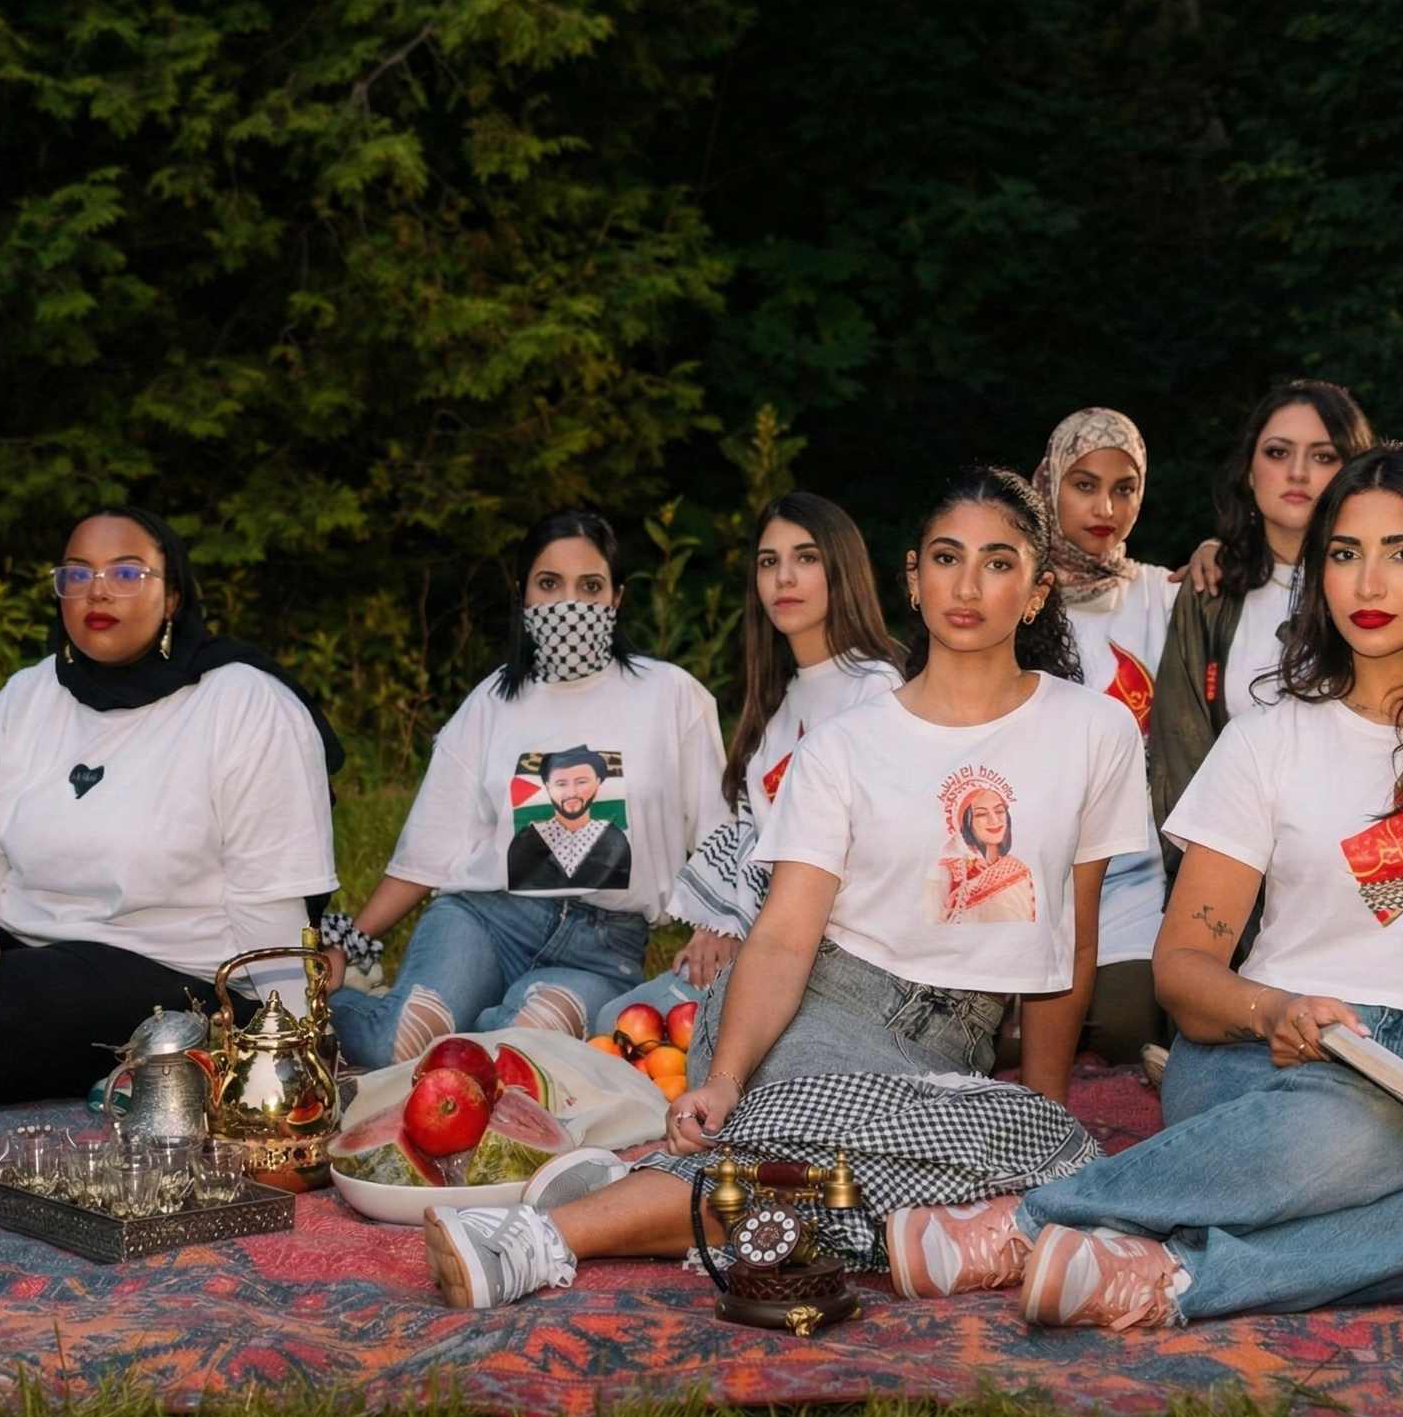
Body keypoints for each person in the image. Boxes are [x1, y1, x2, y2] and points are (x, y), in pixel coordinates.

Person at [883, 443, 1403, 1329]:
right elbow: (1184, 968)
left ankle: (1174, 1279)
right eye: (1344, 554)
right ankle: (1030, 1218)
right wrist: (1277, 1013)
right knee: (1364, 1134)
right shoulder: (1270, 737)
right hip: (1266, 1062)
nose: (1368, 582)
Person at [414, 468, 1153, 1310]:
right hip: (822, 1000)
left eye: (998, 563)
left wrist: (1045, 1109)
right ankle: (531, 1241)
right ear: (912, 578)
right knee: (801, 1171)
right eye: (948, 558)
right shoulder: (848, 744)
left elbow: (1069, 938)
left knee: (1051, 1153)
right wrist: (727, 1078)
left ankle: (637, 1188)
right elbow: (785, 935)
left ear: (1035, 590)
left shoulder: (1094, 731)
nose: (968, 585)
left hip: (958, 1046)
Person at [0, 507, 341, 1105]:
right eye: (77, 573)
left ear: (171, 597)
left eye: (126, 573)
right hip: (15, 933)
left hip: (175, 969)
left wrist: (295, 1042)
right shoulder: (23, 698)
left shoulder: (245, 705)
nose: (97, 591)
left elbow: (270, 897)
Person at [331, 512, 724, 1068]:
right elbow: (430, 848)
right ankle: (330, 1011)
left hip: (599, 950)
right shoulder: (491, 702)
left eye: (590, 586)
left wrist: (717, 925)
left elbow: (717, 831)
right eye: (549, 584)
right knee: (398, 1044)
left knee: (517, 1056)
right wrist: (347, 944)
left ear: (616, 597)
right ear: (522, 595)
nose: (570, 602)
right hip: (484, 921)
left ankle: (472, 1023)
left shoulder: (671, 696)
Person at [618, 493, 901, 1022]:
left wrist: (755, 943)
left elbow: (876, 855)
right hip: (770, 942)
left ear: (843, 570)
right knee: (625, 1017)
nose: (784, 578)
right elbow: (755, 843)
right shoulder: (778, 708)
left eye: (806, 558)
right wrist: (717, 925)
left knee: (643, 1026)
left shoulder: (876, 690)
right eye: (769, 562)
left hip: (841, 961)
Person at [1152, 380, 1373, 841]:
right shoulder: (1209, 591)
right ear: (1249, 472)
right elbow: (1181, 746)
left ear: (1355, 473)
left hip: (1358, 858)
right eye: (1277, 452)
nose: (1298, 472)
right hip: (1232, 865)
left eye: (1323, 456)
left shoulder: (1378, 589)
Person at [1033, 407, 1178, 1060]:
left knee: (1126, 1025)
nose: (1106, 507)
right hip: (1027, 873)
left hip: (1131, 874)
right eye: (1084, 484)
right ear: (1050, 483)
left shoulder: (1163, 597)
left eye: (1125, 489)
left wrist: (1213, 555)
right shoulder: (1016, 595)